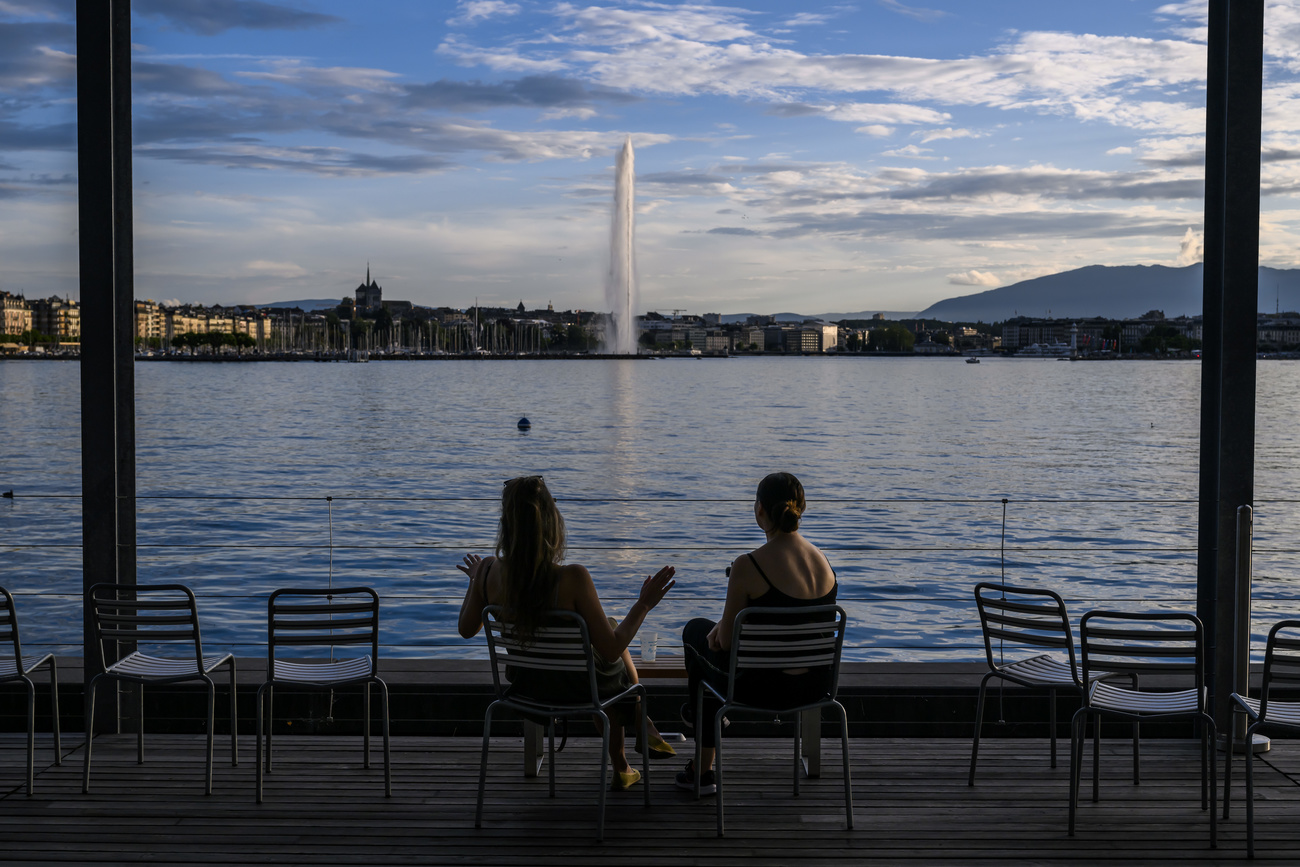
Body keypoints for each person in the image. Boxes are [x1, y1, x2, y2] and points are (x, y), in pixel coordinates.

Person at [457, 475, 678, 790]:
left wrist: (474, 580)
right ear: (551, 522)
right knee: (613, 657)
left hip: (526, 687)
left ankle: (630, 754)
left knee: (608, 650)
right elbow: (613, 650)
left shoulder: (489, 571)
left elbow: (466, 630)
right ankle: (636, 733)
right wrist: (643, 604)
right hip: (581, 690)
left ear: (506, 524)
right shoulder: (574, 578)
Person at [677, 472, 838, 794]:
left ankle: (703, 763)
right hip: (816, 687)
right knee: (710, 658)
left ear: (760, 510)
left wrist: (719, 632)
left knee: (696, 632)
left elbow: (723, 642)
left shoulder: (748, 565)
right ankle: (704, 738)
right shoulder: (824, 564)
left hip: (758, 689)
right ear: (801, 509)